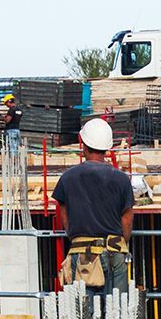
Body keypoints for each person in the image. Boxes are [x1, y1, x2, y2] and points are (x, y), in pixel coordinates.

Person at [52, 118, 133, 295]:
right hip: (114, 252)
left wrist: (74, 236)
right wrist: (121, 243)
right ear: (107, 147)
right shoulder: (121, 179)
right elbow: (126, 220)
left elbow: (64, 215)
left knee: (84, 310)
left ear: (84, 145)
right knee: (117, 308)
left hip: (82, 255)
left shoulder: (68, 178)